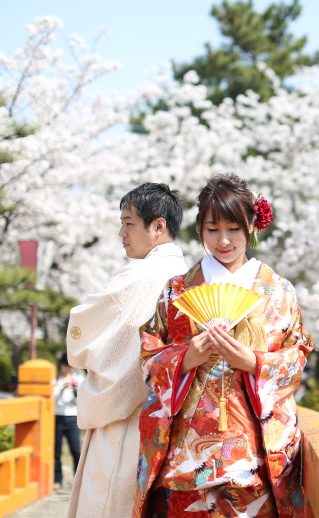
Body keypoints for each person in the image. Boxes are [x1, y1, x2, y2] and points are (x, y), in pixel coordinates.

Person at [134, 174, 313, 518]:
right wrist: (185, 358)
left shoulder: (278, 291)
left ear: (252, 225)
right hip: (186, 457)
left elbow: (297, 354)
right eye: (212, 229)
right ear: (199, 229)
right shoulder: (177, 291)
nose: (224, 240)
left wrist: (255, 362)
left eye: (234, 228)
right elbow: (148, 352)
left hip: (254, 456)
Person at [66, 183, 187, 518]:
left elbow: (82, 329)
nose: (122, 232)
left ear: (158, 226)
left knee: (108, 502)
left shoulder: (141, 274)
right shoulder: (187, 275)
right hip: (166, 419)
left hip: (125, 416)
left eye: (129, 222)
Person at [53, 353, 83, 490]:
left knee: (75, 450)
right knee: (56, 451)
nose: (68, 369)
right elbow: (52, 397)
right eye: (66, 365)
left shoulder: (78, 378)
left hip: (72, 417)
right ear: (60, 365)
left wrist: (74, 391)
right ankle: (57, 480)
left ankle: (77, 480)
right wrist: (63, 388)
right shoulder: (55, 379)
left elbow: (82, 399)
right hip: (57, 416)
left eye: (70, 366)